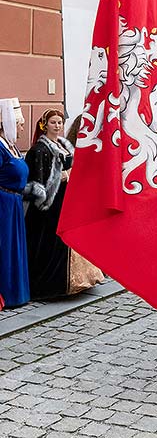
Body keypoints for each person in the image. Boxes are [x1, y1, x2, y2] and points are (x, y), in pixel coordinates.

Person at [24, 108, 104, 300]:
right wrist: (62, 176)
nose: (57, 126)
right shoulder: (39, 149)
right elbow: (37, 180)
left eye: (60, 122)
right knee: (52, 242)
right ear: (45, 125)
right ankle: (52, 285)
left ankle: (76, 281)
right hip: (50, 205)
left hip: (65, 199)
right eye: (53, 122)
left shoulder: (61, 144)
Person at [0, 98, 30, 309]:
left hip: (14, 203)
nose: (21, 127)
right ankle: (7, 293)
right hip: (3, 203)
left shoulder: (11, 146)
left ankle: (17, 292)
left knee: (15, 247)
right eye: (18, 123)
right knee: (5, 247)